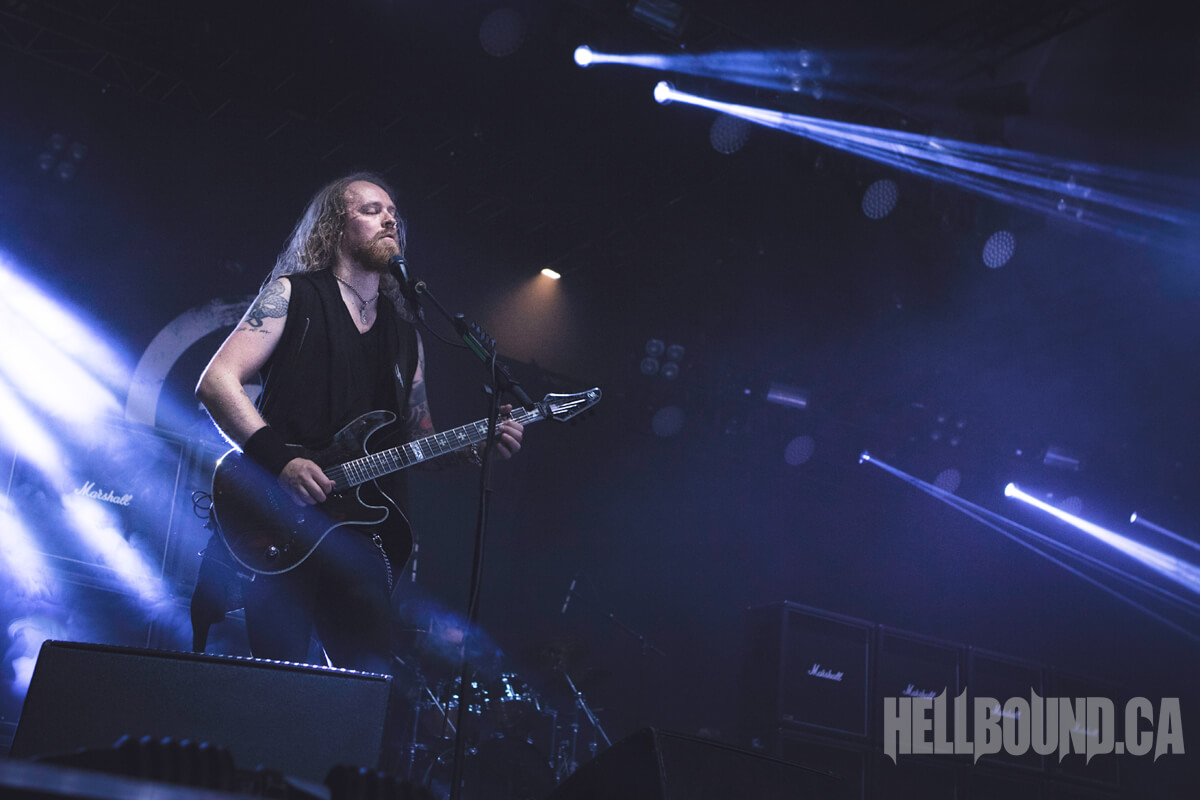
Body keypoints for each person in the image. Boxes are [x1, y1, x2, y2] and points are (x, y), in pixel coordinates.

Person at [194, 172, 523, 674]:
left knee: (367, 677)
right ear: (335, 226)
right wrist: (282, 463)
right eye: (371, 210)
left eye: (393, 213)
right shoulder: (292, 295)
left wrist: (476, 445)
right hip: (279, 517)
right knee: (277, 681)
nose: (389, 219)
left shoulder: (405, 335)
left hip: (362, 530)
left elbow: (417, 439)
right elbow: (217, 382)